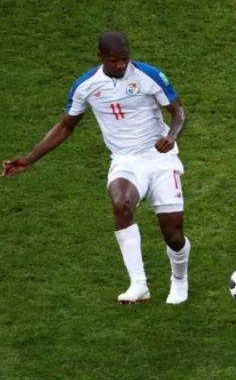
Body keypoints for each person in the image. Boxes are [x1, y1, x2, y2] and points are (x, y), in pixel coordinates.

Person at [2, 30, 192, 305]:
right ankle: (139, 284)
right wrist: (30, 159)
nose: (121, 65)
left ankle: (179, 280)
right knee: (121, 202)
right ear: (100, 57)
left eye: (125, 59)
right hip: (125, 160)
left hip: (160, 158)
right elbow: (65, 126)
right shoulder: (86, 86)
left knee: (173, 236)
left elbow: (178, 111)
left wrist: (172, 136)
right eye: (115, 60)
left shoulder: (148, 76)